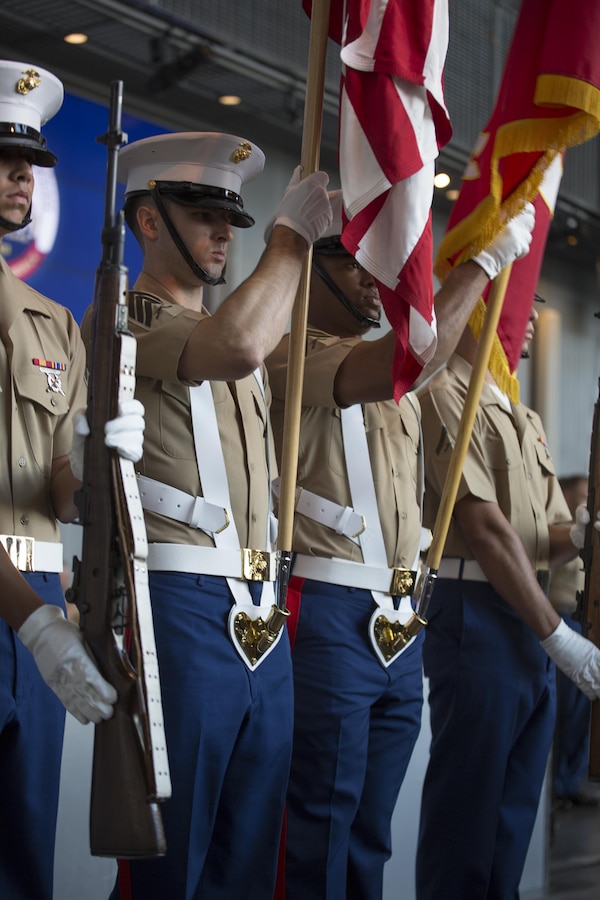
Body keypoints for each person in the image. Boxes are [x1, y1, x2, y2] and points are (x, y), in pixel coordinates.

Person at [80, 132, 332, 899]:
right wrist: (290, 236)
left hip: (258, 607)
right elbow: (241, 344)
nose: (224, 231)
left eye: (233, 218)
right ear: (148, 222)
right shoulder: (126, 316)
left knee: (248, 855)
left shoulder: (224, 328)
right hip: (180, 607)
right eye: (200, 214)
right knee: (173, 859)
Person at [265, 191, 536, 900]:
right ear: (313, 268)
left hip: (396, 616)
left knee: (370, 832)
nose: (372, 282)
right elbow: (399, 364)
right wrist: (479, 263)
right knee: (317, 823)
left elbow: (416, 363)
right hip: (321, 607)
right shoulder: (287, 350)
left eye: (376, 267)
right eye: (354, 265)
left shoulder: (404, 382)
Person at [0, 59, 143, 900]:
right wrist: (39, 629)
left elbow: (59, 474)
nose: (23, 176)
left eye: (30, 162)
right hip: (25, 621)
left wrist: (94, 462)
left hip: (32, 616)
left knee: (24, 861)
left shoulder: (49, 319)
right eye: (4, 158)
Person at [415, 301, 600, 899]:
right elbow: (488, 531)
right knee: (466, 817)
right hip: (476, 608)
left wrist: (579, 534)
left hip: (527, 614)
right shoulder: (445, 393)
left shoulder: (523, 415)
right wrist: (559, 637)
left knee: (512, 818)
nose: (520, 332)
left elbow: (538, 538)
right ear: (472, 314)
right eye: (510, 313)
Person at [551, 474, 599, 808]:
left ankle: (572, 779)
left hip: (586, 623)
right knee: (565, 708)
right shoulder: (559, 534)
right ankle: (557, 785)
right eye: (581, 495)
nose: (587, 500)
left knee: (585, 710)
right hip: (560, 618)